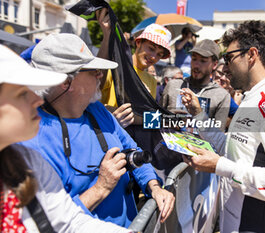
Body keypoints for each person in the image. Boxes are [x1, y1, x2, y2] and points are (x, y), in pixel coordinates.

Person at [20, 33, 174, 228]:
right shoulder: (33, 141)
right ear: (65, 82)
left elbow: (131, 149)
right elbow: (48, 221)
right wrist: (101, 187)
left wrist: (153, 186)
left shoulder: (98, 109)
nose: (100, 74)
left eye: (160, 53)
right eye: (93, 70)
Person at [180, 21, 265, 232]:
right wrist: (199, 117)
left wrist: (220, 166)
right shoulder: (251, 98)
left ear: (251, 55)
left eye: (229, 58)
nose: (224, 67)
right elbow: (235, 150)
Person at [0, 45, 130, 232]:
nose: (37, 100)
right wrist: (100, 188)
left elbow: (67, 220)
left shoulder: (25, 159)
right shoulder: (31, 150)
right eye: (22, 93)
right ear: (66, 83)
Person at [161, 39, 230, 132]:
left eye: (203, 61)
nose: (196, 65)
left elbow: (218, 136)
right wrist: (169, 121)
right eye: (194, 59)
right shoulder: (173, 85)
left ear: (214, 64)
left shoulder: (222, 96)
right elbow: (155, 120)